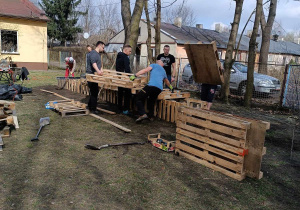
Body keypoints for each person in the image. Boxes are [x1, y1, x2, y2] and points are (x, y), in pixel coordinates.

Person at [86, 41, 105, 114]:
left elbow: (99, 64)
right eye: (103, 47)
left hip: (94, 75)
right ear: (99, 46)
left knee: (94, 91)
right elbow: (93, 63)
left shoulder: (97, 54)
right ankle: (93, 109)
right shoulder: (93, 53)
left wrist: (101, 70)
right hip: (91, 75)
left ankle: (90, 106)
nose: (103, 49)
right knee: (94, 92)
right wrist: (98, 71)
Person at [116, 45, 132, 115]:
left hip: (119, 77)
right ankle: (126, 109)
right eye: (129, 51)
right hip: (125, 78)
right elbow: (127, 69)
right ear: (125, 50)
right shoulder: (125, 57)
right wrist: (131, 77)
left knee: (120, 93)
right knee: (127, 93)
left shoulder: (118, 56)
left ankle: (119, 109)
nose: (130, 53)